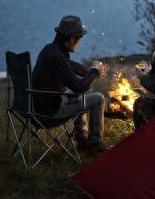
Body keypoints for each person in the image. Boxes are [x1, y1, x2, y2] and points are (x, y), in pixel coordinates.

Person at [31, 15, 109, 153]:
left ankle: (81, 139)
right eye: (78, 40)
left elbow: (72, 66)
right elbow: (78, 87)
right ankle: (94, 145)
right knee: (98, 99)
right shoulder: (56, 57)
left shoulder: (50, 50)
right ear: (72, 39)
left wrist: (92, 73)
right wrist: (94, 73)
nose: (78, 44)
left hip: (38, 105)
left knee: (79, 94)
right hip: (49, 113)